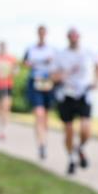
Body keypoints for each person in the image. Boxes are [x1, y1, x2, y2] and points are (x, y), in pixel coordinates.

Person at [52, 28, 98, 176]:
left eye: (76, 37)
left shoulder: (88, 52)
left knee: (86, 129)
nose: (74, 39)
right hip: (66, 94)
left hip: (84, 93)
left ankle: (79, 148)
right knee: (69, 130)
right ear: (68, 38)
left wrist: (96, 81)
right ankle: (71, 159)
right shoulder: (61, 55)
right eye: (71, 37)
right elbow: (53, 76)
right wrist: (62, 75)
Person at [23, 25, 57, 160]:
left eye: (44, 33)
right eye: (40, 33)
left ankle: (44, 140)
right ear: (38, 34)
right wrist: (31, 64)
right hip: (35, 82)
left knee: (46, 116)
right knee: (39, 113)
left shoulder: (53, 50)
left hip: (48, 82)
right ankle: (40, 145)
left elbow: (57, 65)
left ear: (46, 34)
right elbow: (24, 63)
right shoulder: (30, 49)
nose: (42, 35)